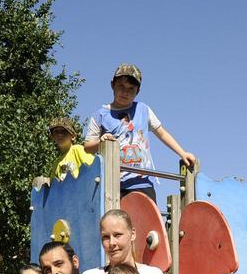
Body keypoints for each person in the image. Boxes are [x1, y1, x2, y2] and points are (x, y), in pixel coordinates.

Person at [83, 63, 198, 201]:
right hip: (113, 182)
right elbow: (87, 147)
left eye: (131, 89)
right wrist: (101, 142)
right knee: (116, 219)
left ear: (137, 91)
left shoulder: (143, 110)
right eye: (121, 86)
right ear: (112, 85)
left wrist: (182, 152)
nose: (125, 92)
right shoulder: (100, 115)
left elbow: (161, 133)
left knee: (146, 217)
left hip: (141, 180)